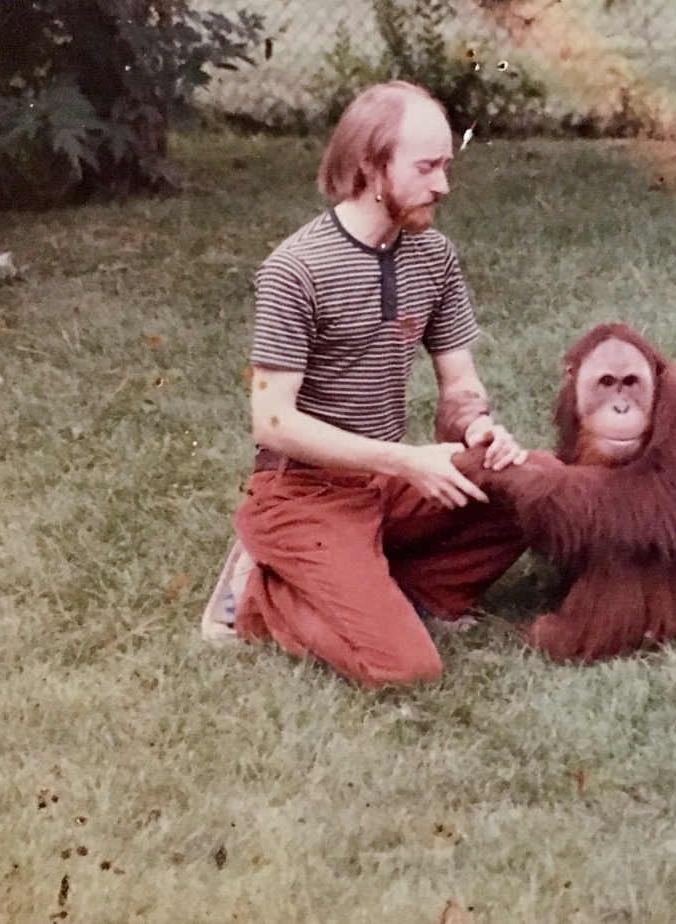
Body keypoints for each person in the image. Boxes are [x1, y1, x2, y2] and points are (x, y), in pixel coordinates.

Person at [201, 81, 528, 688]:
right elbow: (272, 423)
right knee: (406, 668)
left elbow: (459, 385)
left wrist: (479, 428)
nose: (444, 186)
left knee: (527, 485)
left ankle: (408, 594)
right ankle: (258, 595)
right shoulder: (296, 269)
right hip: (303, 492)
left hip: (384, 481)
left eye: (446, 166)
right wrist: (404, 461)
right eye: (426, 168)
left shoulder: (433, 256)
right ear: (371, 166)